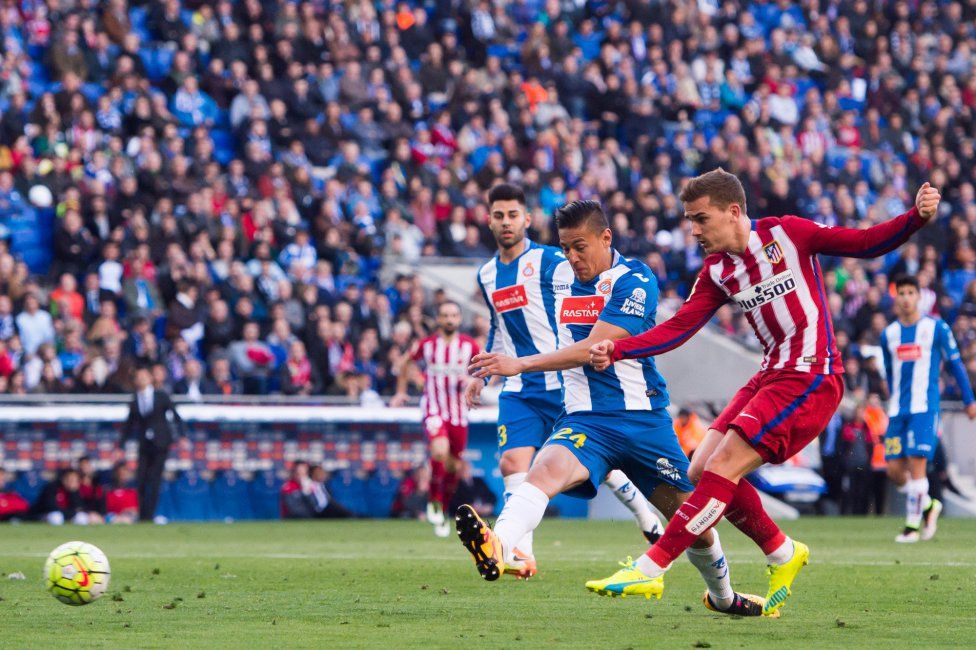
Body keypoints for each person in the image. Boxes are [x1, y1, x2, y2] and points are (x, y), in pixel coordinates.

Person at [586, 169, 939, 616]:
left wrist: (915, 218)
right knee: (700, 469)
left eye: (700, 218)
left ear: (733, 212)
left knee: (725, 464)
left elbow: (864, 241)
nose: (693, 230)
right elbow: (678, 328)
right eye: (690, 220)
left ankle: (650, 567)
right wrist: (619, 348)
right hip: (771, 375)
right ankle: (782, 552)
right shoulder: (717, 271)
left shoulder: (788, 234)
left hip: (812, 375)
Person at [463, 200, 764, 617]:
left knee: (695, 524)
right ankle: (499, 545)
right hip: (586, 419)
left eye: (580, 247)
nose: (571, 257)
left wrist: (522, 363)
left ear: (606, 238)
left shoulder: (635, 279)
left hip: (643, 421)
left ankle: (724, 597)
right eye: (565, 247)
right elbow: (514, 309)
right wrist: (493, 360)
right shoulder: (558, 277)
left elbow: (593, 348)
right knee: (542, 470)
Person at [465, 183, 662, 579]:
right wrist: (484, 368)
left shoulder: (553, 260)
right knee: (512, 461)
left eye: (513, 215)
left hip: (561, 378)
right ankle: (519, 553)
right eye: (499, 215)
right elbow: (497, 326)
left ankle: (647, 516)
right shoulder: (487, 274)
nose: (506, 222)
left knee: (597, 464)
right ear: (489, 220)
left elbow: (591, 286)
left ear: (526, 219)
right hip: (521, 387)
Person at [880, 275, 976, 542]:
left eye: (911, 292)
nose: (906, 297)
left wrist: (969, 400)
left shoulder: (936, 329)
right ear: (896, 297)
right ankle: (928, 505)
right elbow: (889, 372)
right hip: (898, 409)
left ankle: (911, 527)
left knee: (917, 463)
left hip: (925, 408)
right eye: (902, 293)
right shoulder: (888, 334)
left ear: (919, 296)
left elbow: (956, 364)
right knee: (895, 471)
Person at [390, 301, 479, 537]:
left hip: (459, 413)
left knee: (453, 466)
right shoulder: (427, 345)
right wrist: (401, 391)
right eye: (445, 315)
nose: (449, 319)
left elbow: (482, 371)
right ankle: (434, 500)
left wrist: (475, 385)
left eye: (453, 315)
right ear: (438, 319)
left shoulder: (469, 345)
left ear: (459, 319)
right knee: (439, 450)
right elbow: (405, 363)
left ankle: (443, 506)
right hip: (434, 408)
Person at [121, 366, 186, 522]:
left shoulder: (161, 396)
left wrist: (182, 435)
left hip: (161, 442)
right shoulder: (135, 399)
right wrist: (120, 445)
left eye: (144, 376)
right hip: (144, 444)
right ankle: (142, 514)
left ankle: (150, 514)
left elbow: (176, 416)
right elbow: (129, 424)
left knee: (155, 479)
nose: (141, 380)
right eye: (138, 377)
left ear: (150, 378)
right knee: (141, 479)